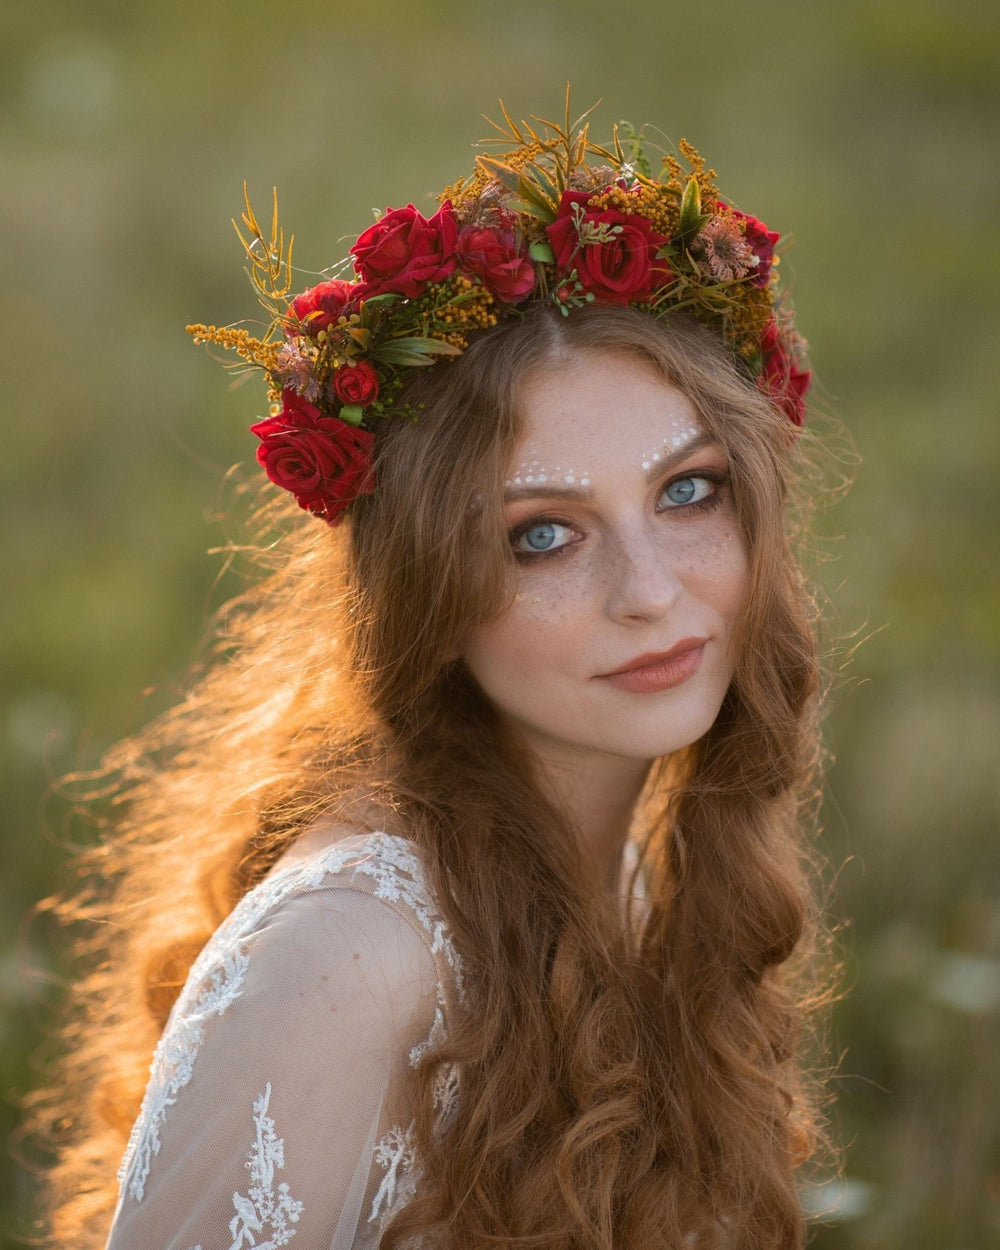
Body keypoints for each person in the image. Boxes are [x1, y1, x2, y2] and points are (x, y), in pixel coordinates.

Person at [38, 103, 835, 1249]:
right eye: (542, 535)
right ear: (426, 589)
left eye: (687, 490)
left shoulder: (626, 869)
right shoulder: (346, 954)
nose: (650, 589)